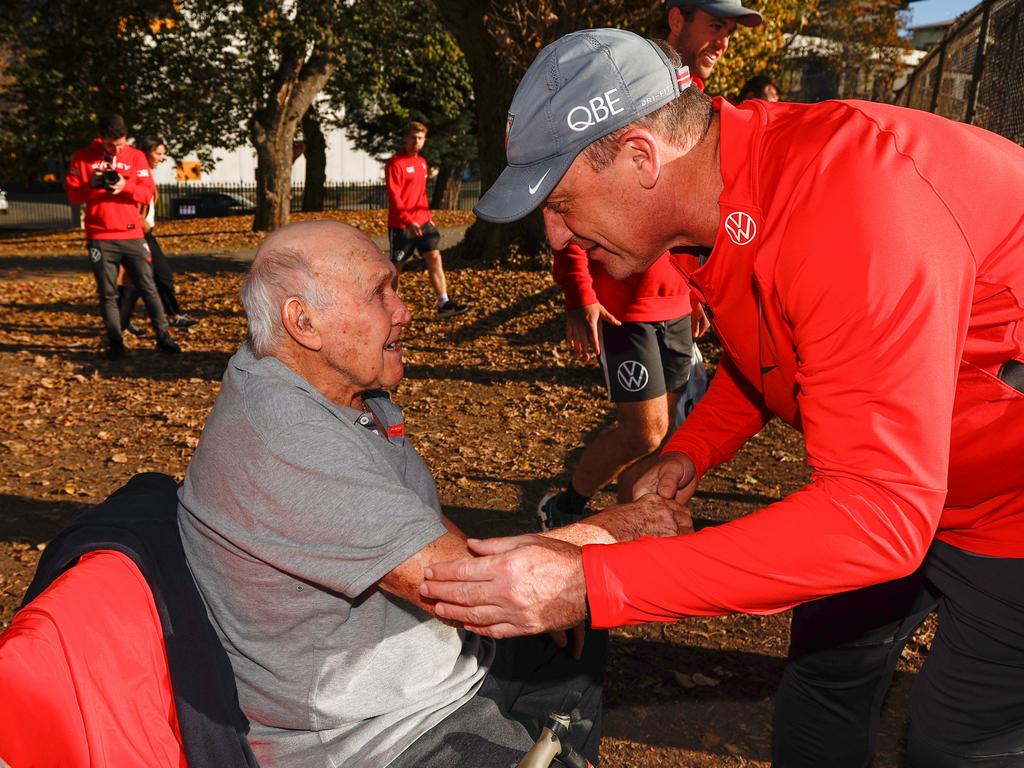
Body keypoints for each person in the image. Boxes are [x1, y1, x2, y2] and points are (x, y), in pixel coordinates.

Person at [420, 28, 1024, 767]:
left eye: (562, 200)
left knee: (957, 741)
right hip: (908, 481)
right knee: (822, 679)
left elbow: (877, 515)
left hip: (1008, 515)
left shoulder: (846, 201)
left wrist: (596, 582)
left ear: (643, 158)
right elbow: (767, 354)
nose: (556, 233)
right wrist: (690, 449)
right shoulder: (724, 199)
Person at [177, 220, 691, 767]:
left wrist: (555, 581)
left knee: (575, 637)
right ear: (303, 322)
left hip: (431, 666)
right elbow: (464, 586)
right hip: (378, 732)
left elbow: (418, 525)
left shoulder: (328, 387)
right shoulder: (284, 437)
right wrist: (629, 527)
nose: (404, 310)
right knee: (575, 599)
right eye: (380, 292)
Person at [538, 0, 762, 529]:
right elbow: (568, 201)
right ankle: (567, 503)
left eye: (729, 31)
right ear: (678, 19)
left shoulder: (703, 109)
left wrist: (700, 292)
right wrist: (579, 294)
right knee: (645, 431)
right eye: (715, 26)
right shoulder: (619, 94)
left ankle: (626, 515)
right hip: (625, 308)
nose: (723, 41)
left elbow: (699, 216)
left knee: (668, 432)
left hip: (679, 304)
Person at [65, 113, 180, 358]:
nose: (116, 150)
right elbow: (73, 196)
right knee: (107, 292)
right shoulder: (83, 158)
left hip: (132, 234)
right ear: (100, 139)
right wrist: (92, 185)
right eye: (110, 145)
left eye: (120, 144)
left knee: (149, 286)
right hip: (100, 235)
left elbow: (146, 192)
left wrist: (124, 186)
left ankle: (163, 337)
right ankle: (115, 342)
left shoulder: (136, 156)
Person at [385, 121, 469, 319]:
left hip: (423, 223)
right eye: (413, 137)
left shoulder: (422, 162)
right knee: (396, 267)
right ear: (405, 138)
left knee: (434, 257)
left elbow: (421, 194)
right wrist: (407, 220)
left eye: (420, 138)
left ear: (424, 141)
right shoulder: (395, 163)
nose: (416, 141)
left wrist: (428, 218)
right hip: (402, 226)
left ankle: (444, 303)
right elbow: (394, 196)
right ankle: (389, 310)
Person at [119, 134, 198, 336]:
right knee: (152, 276)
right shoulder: (136, 171)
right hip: (138, 233)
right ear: (147, 151)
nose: (161, 158)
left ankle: (125, 321)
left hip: (145, 232)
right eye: (158, 153)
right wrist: (140, 223)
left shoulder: (145, 172)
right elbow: (129, 200)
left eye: (163, 154)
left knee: (140, 280)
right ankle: (171, 316)